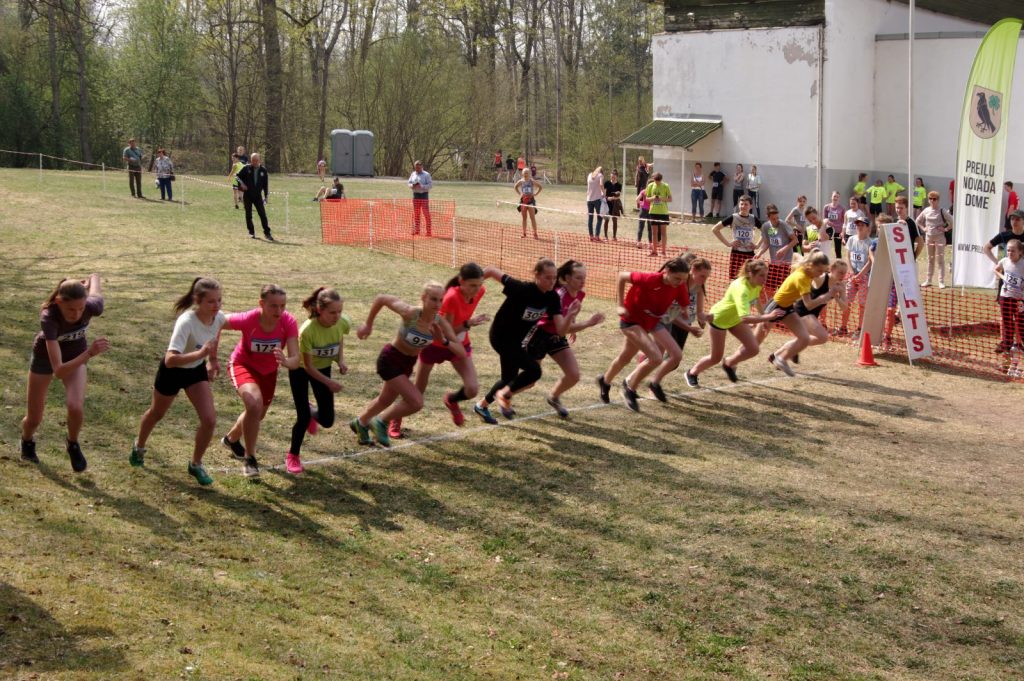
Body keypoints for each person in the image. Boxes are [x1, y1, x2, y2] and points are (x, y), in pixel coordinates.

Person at [130, 277, 225, 486]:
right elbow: (170, 359)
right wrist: (201, 354)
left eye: (219, 300)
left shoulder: (218, 318)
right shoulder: (186, 322)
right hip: (172, 373)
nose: (216, 305)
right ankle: (139, 447)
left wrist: (213, 360)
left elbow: (214, 338)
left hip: (195, 372)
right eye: (211, 301)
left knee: (209, 420)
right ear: (197, 300)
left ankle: (196, 464)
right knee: (157, 413)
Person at [351, 283, 463, 447]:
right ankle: (380, 421)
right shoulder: (411, 313)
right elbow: (381, 298)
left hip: (407, 364)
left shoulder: (440, 324)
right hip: (390, 359)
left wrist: (443, 341)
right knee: (416, 402)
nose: (437, 304)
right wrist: (368, 324)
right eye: (433, 299)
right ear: (423, 298)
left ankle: (360, 423)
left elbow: (461, 351)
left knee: (385, 400)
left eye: (441, 300)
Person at [20, 275, 109, 471]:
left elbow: (96, 283)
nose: (77, 314)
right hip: (45, 359)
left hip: (76, 356)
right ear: (59, 302)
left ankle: (73, 443)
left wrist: (91, 279)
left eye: (81, 308)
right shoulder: (49, 317)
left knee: (75, 406)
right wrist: (90, 353)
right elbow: (59, 371)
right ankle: (27, 441)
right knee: (34, 418)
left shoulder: (92, 306)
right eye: (71, 309)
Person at [473, 260, 577, 423]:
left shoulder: (552, 297)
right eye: (547, 277)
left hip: (516, 341)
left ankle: (482, 405)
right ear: (537, 275)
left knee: (509, 378)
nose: (551, 281)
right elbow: (492, 270)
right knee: (534, 371)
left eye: (554, 277)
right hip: (500, 337)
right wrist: (471, 288)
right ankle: (504, 395)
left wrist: (570, 315)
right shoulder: (521, 288)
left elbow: (561, 330)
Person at [398, 263, 490, 435]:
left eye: (479, 285)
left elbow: (490, 270)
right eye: (472, 285)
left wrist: (501, 278)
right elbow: (448, 331)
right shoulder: (451, 297)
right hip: (435, 345)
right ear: (461, 282)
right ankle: (395, 420)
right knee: (418, 392)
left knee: (472, 389)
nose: (477, 290)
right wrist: (468, 323)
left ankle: (451, 400)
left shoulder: (480, 291)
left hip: (458, 346)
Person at [220, 284, 300, 478]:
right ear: (261, 304)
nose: (279, 311)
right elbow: (217, 321)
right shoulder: (249, 318)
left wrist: (285, 361)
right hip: (242, 364)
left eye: (282, 306)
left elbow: (295, 360)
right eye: (273, 306)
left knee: (257, 413)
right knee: (254, 404)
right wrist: (212, 356)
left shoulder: (288, 322)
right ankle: (250, 459)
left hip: (268, 373)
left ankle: (231, 439)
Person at [595, 257, 691, 411]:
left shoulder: (679, 286)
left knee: (673, 355)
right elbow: (622, 276)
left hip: (652, 322)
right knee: (655, 358)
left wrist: (690, 314)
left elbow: (685, 306)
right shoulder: (649, 279)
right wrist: (620, 305)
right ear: (667, 271)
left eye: (683, 280)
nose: (680, 282)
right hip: (631, 321)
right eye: (677, 278)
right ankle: (630, 389)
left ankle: (604, 381)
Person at [684, 260, 784, 387]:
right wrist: (768, 317)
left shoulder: (756, 283)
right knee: (715, 358)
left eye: (766, 275)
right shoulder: (742, 289)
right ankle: (692, 373)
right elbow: (745, 318)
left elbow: (755, 299)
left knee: (753, 349)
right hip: (720, 319)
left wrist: (763, 316)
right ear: (750, 274)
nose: (765, 279)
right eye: (761, 275)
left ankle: (729, 363)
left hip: (736, 319)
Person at [286, 287, 351, 473]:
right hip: (301, 370)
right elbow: (308, 367)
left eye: (339, 312)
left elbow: (339, 338)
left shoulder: (343, 322)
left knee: (328, 420)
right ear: (320, 310)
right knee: (303, 417)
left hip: (323, 367)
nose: (337, 316)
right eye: (332, 312)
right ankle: (293, 456)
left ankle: (311, 409)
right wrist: (329, 383)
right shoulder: (307, 330)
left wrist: (340, 360)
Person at [535, 260, 604, 418]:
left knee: (574, 375)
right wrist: (587, 323)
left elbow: (570, 315)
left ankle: (554, 397)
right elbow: (562, 328)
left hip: (557, 337)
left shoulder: (580, 294)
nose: (582, 281)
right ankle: (501, 395)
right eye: (578, 278)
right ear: (567, 278)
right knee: (530, 378)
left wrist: (573, 322)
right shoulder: (559, 295)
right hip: (540, 335)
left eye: (584, 278)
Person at [763, 250, 834, 376]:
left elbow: (796, 255)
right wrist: (826, 296)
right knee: (755, 341)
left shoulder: (807, 270)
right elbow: (809, 304)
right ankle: (731, 362)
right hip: (775, 306)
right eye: (820, 270)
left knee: (804, 338)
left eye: (824, 271)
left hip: (788, 308)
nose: (822, 274)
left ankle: (781, 358)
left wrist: (802, 257)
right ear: (811, 266)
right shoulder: (803, 278)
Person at [772, 260, 849, 361]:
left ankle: (777, 355)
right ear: (832, 269)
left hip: (813, 314)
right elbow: (808, 275)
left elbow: (844, 307)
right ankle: (786, 353)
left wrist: (837, 297)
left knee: (807, 339)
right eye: (840, 272)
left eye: (844, 273)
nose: (843, 275)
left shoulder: (841, 285)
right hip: (803, 310)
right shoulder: (822, 278)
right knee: (822, 337)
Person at [712, 194, 761, 279]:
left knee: (749, 279)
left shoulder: (754, 218)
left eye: (746, 204)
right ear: (738, 205)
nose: (743, 206)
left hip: (749, 254)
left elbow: (767, 232)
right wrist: (728, 244)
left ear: (751, 206)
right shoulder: (733, 217)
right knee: (735, 279)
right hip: (736, 253)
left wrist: (757, 245)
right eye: (741, 204)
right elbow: (715, 229)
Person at [754, 203, 797, 298]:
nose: (776, 220)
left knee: (783, 289)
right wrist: (759, 253)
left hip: (785, 263)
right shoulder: (765, 226)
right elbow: (767, 243)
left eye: (777, 217)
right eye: (773, 219)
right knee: (769, 287)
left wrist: (784, 249)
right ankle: (770, 304)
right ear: (768, 217)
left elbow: (795, 240)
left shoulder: (783, 225)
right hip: (774, 263)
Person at [840, 215, 873, 338]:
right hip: (852, 276)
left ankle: (860, 329)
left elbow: (870, 262)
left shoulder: (870, 243)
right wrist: (852, 273)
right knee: (846, 301)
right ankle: (843, 327)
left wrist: (860, 275)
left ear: (868, 228)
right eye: (858, 224)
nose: (859, 227)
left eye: (862, 225)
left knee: (862, 304)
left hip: (864, 277)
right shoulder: (851, 239)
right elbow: (848, 256)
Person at [918, 191, 953, 287]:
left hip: (940, 238)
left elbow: (952, 221)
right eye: (930, 199)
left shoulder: (942, 211)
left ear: (938, 200)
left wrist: (945, 229)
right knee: (930, 259)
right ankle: (928, 280)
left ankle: (941, 281)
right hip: (928, 237)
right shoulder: (926, 210)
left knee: (940, 260)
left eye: (934, 199)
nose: (932, 201)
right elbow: (918, 221)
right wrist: (923, 228)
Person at [995, 239, 1024, 353]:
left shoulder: (1022, 264)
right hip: (1005, 296)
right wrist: (1003, 277)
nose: (1010, 253)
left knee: (1021, 323)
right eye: (1008, 250)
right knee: (1007, 322)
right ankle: (1007, 345)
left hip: (1019, 299)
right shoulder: (1004, 261)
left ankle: (1020, 344)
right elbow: (996, 270)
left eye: (1013, 251)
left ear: (1020, 252)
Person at [236, 152, 273, 241]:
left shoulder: (263, 170)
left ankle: (267, 233)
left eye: (256, 160)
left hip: (258, 196)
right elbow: (237, 177)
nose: (254, 162)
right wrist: (242, 185)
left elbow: (265, 184)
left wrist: (266, 196)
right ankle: (251, 232)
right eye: (253, 160)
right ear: (251, 160)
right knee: (248, 214)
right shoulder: (246, 168)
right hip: (247, 195)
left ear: (259, 160)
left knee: (262, 215)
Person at [645, 172, 672, 257]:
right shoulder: (650, 186)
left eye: (658, 181)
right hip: (653, 212)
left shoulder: (666, 186)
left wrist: (661, 198)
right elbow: (647, 199)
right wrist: (653, 198)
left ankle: (663, 252)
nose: (657, 182)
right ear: (653, 179)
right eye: (656, 181)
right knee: (654, 232)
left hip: (663, 212)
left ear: (661, 179)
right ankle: (654, 251)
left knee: (663, 232)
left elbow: (670, 199)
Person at [514, 168, 542, 239]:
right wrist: (520, 194)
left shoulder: (531, 181)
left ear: (529, 174)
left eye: (527, 173)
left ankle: (535, 233)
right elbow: (515, 187)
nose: (526, 174)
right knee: (524, 218)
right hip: (523, 201)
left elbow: (540, 187)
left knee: (532, 218)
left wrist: (535, 194)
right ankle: (524, 233)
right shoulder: (521, 181)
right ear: (522, 174)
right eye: (524, 173)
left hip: (530, 201)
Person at [408, 160, 433, 237]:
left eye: (419, 168)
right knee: (416, 213)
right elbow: (409, 183)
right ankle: (417, 230)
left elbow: (430, 185)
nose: (417, 169)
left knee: (426, 213)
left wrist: (422, 186)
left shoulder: (426, 175)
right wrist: (412, 185)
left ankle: (428, 231)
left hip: (424, 195)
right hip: (416, 195)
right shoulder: (413, 174)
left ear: (422, 167)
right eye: (416, 168)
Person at [823, 191, 845, 257]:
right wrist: (823, 230)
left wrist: (843, 232)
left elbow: (844, 221)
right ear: (831, 197)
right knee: (826, 248)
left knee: (838, 249)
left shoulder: (842, 208)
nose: (835, 198)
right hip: (829, 230)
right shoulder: (826, 207)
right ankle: (826, 261)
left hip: (838, 230)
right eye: (834, 196)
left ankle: (839, 262)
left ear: (839, 198)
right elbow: (824, 219)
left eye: (837, 197)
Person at [586, 165, 605, 241]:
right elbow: (601, 184)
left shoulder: (589, 175)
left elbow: (588, 188)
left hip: (589, 200)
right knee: (600, 218)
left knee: (590, 218)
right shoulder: (600, 175)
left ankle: (591, 236)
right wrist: (604, 193)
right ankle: (597, 236)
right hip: (597, 200)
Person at [603, 170, 623, 239]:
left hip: (615, 205)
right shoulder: (607, 183)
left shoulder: (619, 185)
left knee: (615, 220)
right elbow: (603, 194)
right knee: (606, 220)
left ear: (617, 177)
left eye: (614, 177)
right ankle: (605, 236)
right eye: (611, 177)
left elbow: (619, 196)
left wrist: (614, 198)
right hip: (607, 203)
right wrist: (607, 198)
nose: (613, 178)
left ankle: (614, 237)